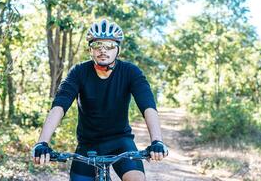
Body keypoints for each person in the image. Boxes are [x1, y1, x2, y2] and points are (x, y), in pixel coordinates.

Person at [31, 19, 168, 181]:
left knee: (136, 179)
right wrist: (42, 143)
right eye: (97, 45)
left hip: (121, 143)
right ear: (91, 50)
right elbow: (59, 106)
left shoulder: (131, 72)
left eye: (109, 45)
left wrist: (157, 141)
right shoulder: (79, 72)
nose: (103, 50)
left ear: (118, 49)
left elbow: (148, 107)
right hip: (87, 145)